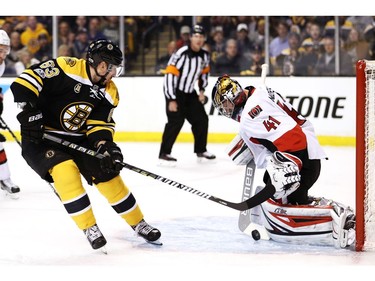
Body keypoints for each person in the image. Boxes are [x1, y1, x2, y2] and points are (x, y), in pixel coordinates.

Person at [10, 39, 161, 251]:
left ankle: (139, 223)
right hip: (41, 139)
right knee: (65, 172)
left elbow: (99, 125)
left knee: (108, 174)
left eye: (114, 69)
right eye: (107, 67)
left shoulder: (109, 91)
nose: (111, 74)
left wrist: (106, 147)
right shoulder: (65, 67)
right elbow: (25, 82)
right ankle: (89, 227)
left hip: (79, 139)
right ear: (95, 62)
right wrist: (30, 112)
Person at [211, 74, 356, 249]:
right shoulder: (260, 91)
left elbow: (290, 141)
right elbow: (284, 126)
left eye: (224, 104)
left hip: (301, 161)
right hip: (312, 151)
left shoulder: (247, 123)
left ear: (233, 98)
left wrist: (283, 164)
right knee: (289, 194)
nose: (225, 110)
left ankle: (332, 220)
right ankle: (318, 207)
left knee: (274, 191)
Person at [158, 25, 215, 165]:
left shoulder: (205, 55)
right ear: (191, 38)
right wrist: (171, 99)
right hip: (175, 93)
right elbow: (169, 75)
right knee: (175, 122)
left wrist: (202, 91)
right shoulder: (181, 53)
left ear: (204, 39)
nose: (199, 39)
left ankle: (201, 150)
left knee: (201, 119)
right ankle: (164, 153)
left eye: (201, 37)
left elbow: (204, 75)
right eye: (196, 36)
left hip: (190, 93)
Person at [0, 29, 21, 199]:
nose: (3, 54)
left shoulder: (1, 64)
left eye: (5, 50)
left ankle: (4, 179)